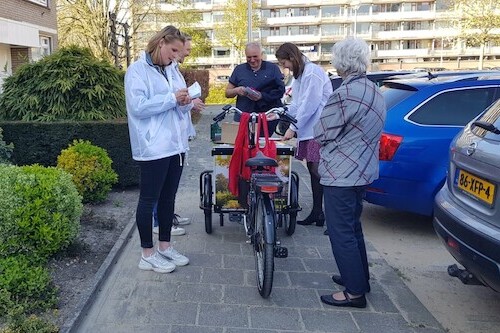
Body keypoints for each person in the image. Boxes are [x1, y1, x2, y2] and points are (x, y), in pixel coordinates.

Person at [314, 37, 386, 308]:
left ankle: (354, 293)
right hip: (364, 170)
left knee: (340, 231)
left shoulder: (345, 93)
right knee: (354, 228)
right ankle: (358, 278)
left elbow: (322, 132)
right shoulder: (374, 89)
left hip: (341, 173)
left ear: (341, 61)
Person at [125, 25, 191, 273]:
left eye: (178, 51)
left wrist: (186, 101)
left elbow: (178, 106)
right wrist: (173, 98)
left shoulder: (172, 69)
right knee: (149, 199)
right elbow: (138, 107)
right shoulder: (137, 71)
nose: (176, 55)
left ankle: (165, 247)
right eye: (173, 50)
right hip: (152, 146)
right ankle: (147, 253)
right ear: (161, 42)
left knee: (168, 198)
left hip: (175, 145)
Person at [151, 34, 205, 236]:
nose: (186, 54)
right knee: (162, 185)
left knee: (171, 185)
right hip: (164, 137)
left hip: (176, 134)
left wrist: (188, 101)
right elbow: (170, 99)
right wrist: (188, 100)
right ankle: (159, 221)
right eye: (185, 50)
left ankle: (167, 215)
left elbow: (178, 99)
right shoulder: (161, 69)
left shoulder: (173, 69)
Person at [274, 42, 332, 227]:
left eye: (284, 63)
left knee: (318, 171)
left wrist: (293, 127)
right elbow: (297, 103)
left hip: (317, 129)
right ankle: (317, 212)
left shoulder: (312, 72)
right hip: (308, 129)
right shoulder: (300, 76)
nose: (285, 67)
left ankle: (328, 215)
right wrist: (279, 114)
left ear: (292, 57)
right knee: (313, 171)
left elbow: (310, 105)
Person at [225, 42, 285, 135]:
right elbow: (227, 93)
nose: (252, 60)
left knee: (262, 146)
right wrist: (237, 90)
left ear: (261, 55)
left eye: (255, 56)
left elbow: (280, 91)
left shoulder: (273, 68)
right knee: (243, 146)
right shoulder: (239, 69)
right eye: (249, 57)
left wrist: (262, 96)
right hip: (244, 117)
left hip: (266, 118)